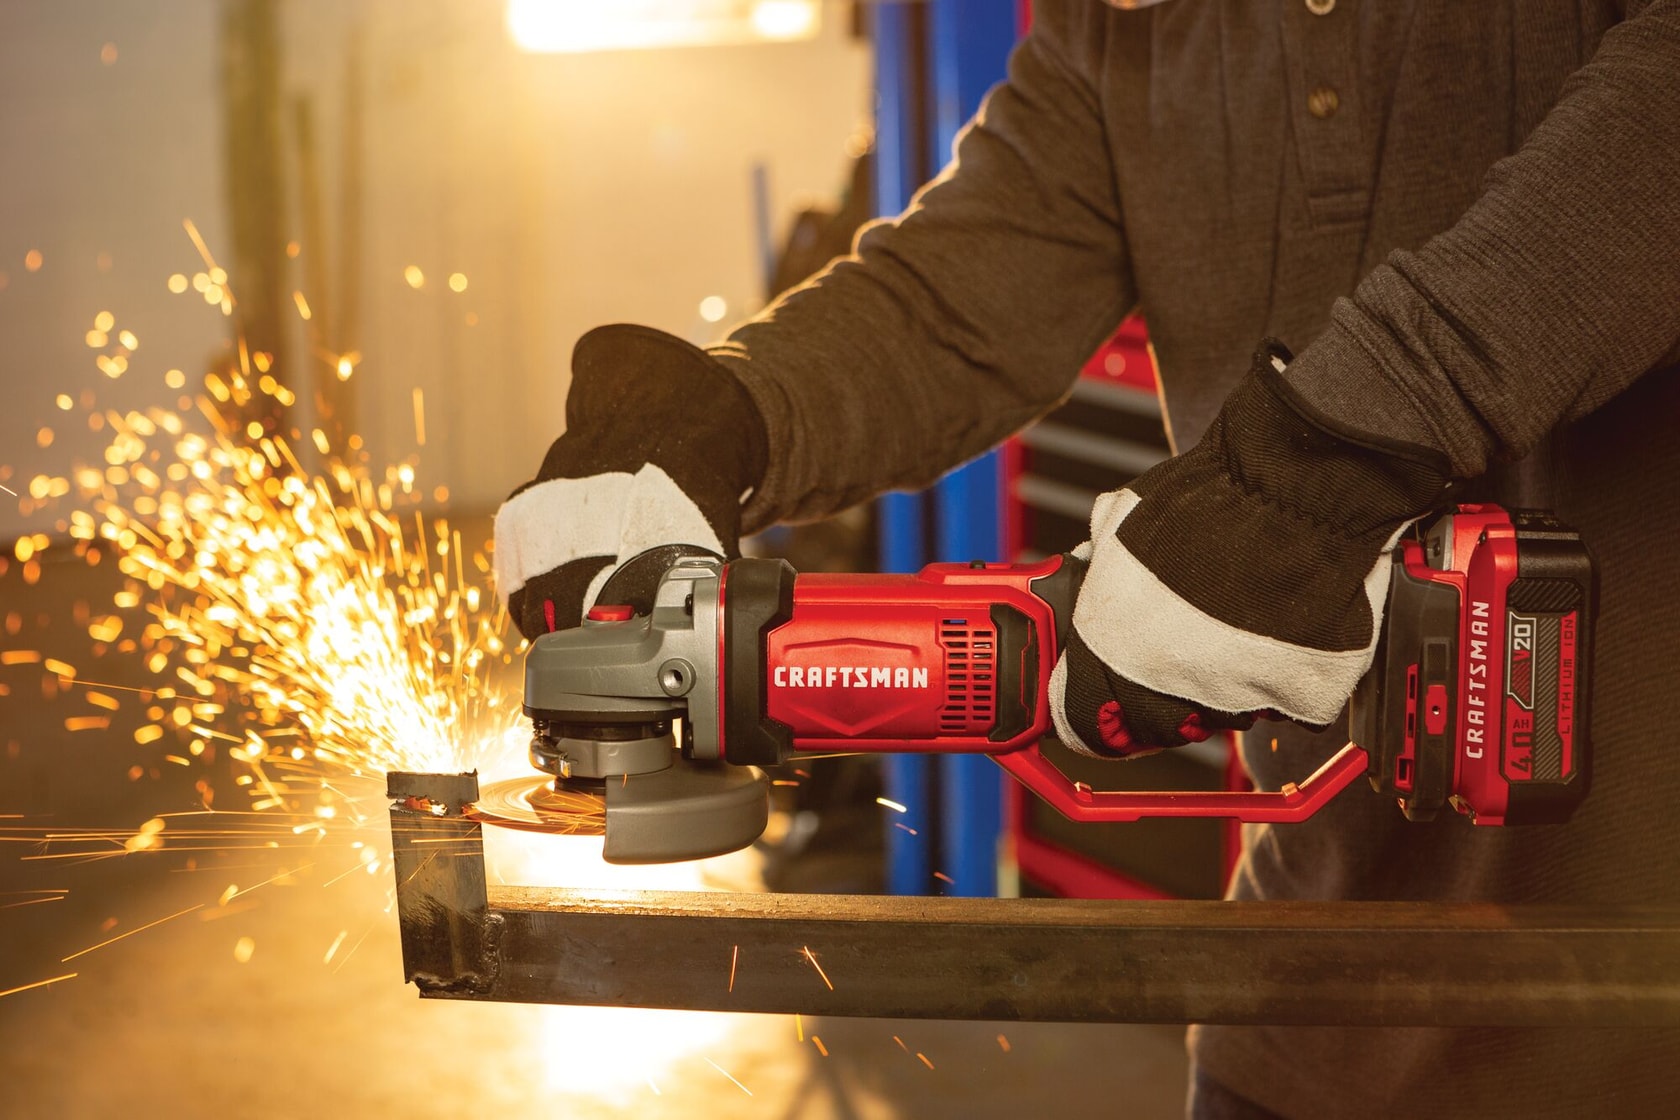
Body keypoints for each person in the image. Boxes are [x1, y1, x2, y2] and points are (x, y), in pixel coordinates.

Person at [493, 2, 1680, 1115]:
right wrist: (723, 422)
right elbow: (953, 306)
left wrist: (1322, 463)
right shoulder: (1124, 28)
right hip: (1309, 1009)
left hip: (1641, 1015)